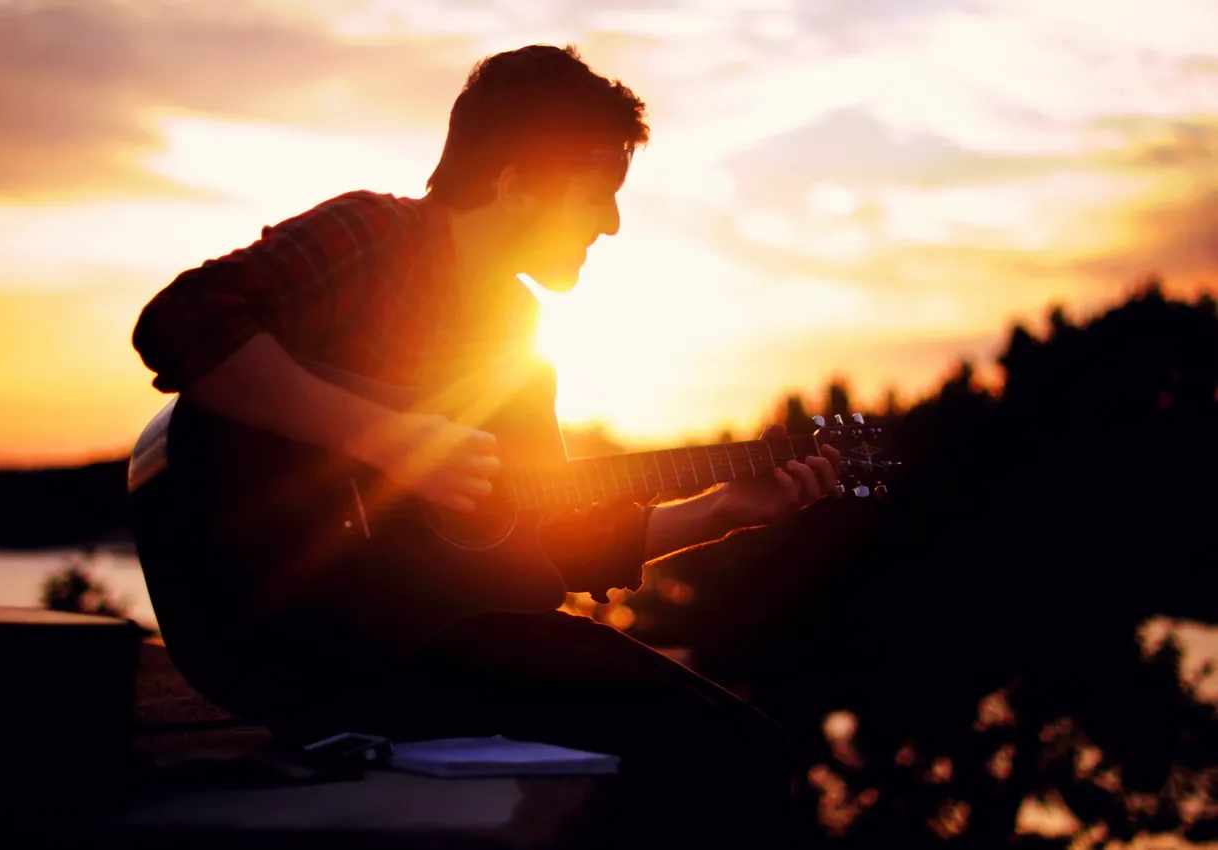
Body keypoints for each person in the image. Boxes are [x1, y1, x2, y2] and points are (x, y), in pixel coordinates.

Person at [132, 44, 841, 844]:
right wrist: (389, 438)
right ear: (516, 185)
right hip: (291, 639)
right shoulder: (374, 235)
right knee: (719, 758)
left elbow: (542, 538)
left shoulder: (516, 330)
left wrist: (719, 509)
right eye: (597, 195)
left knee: (753, 752)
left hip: (429, 646)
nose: (610, 222)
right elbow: (180, 320)